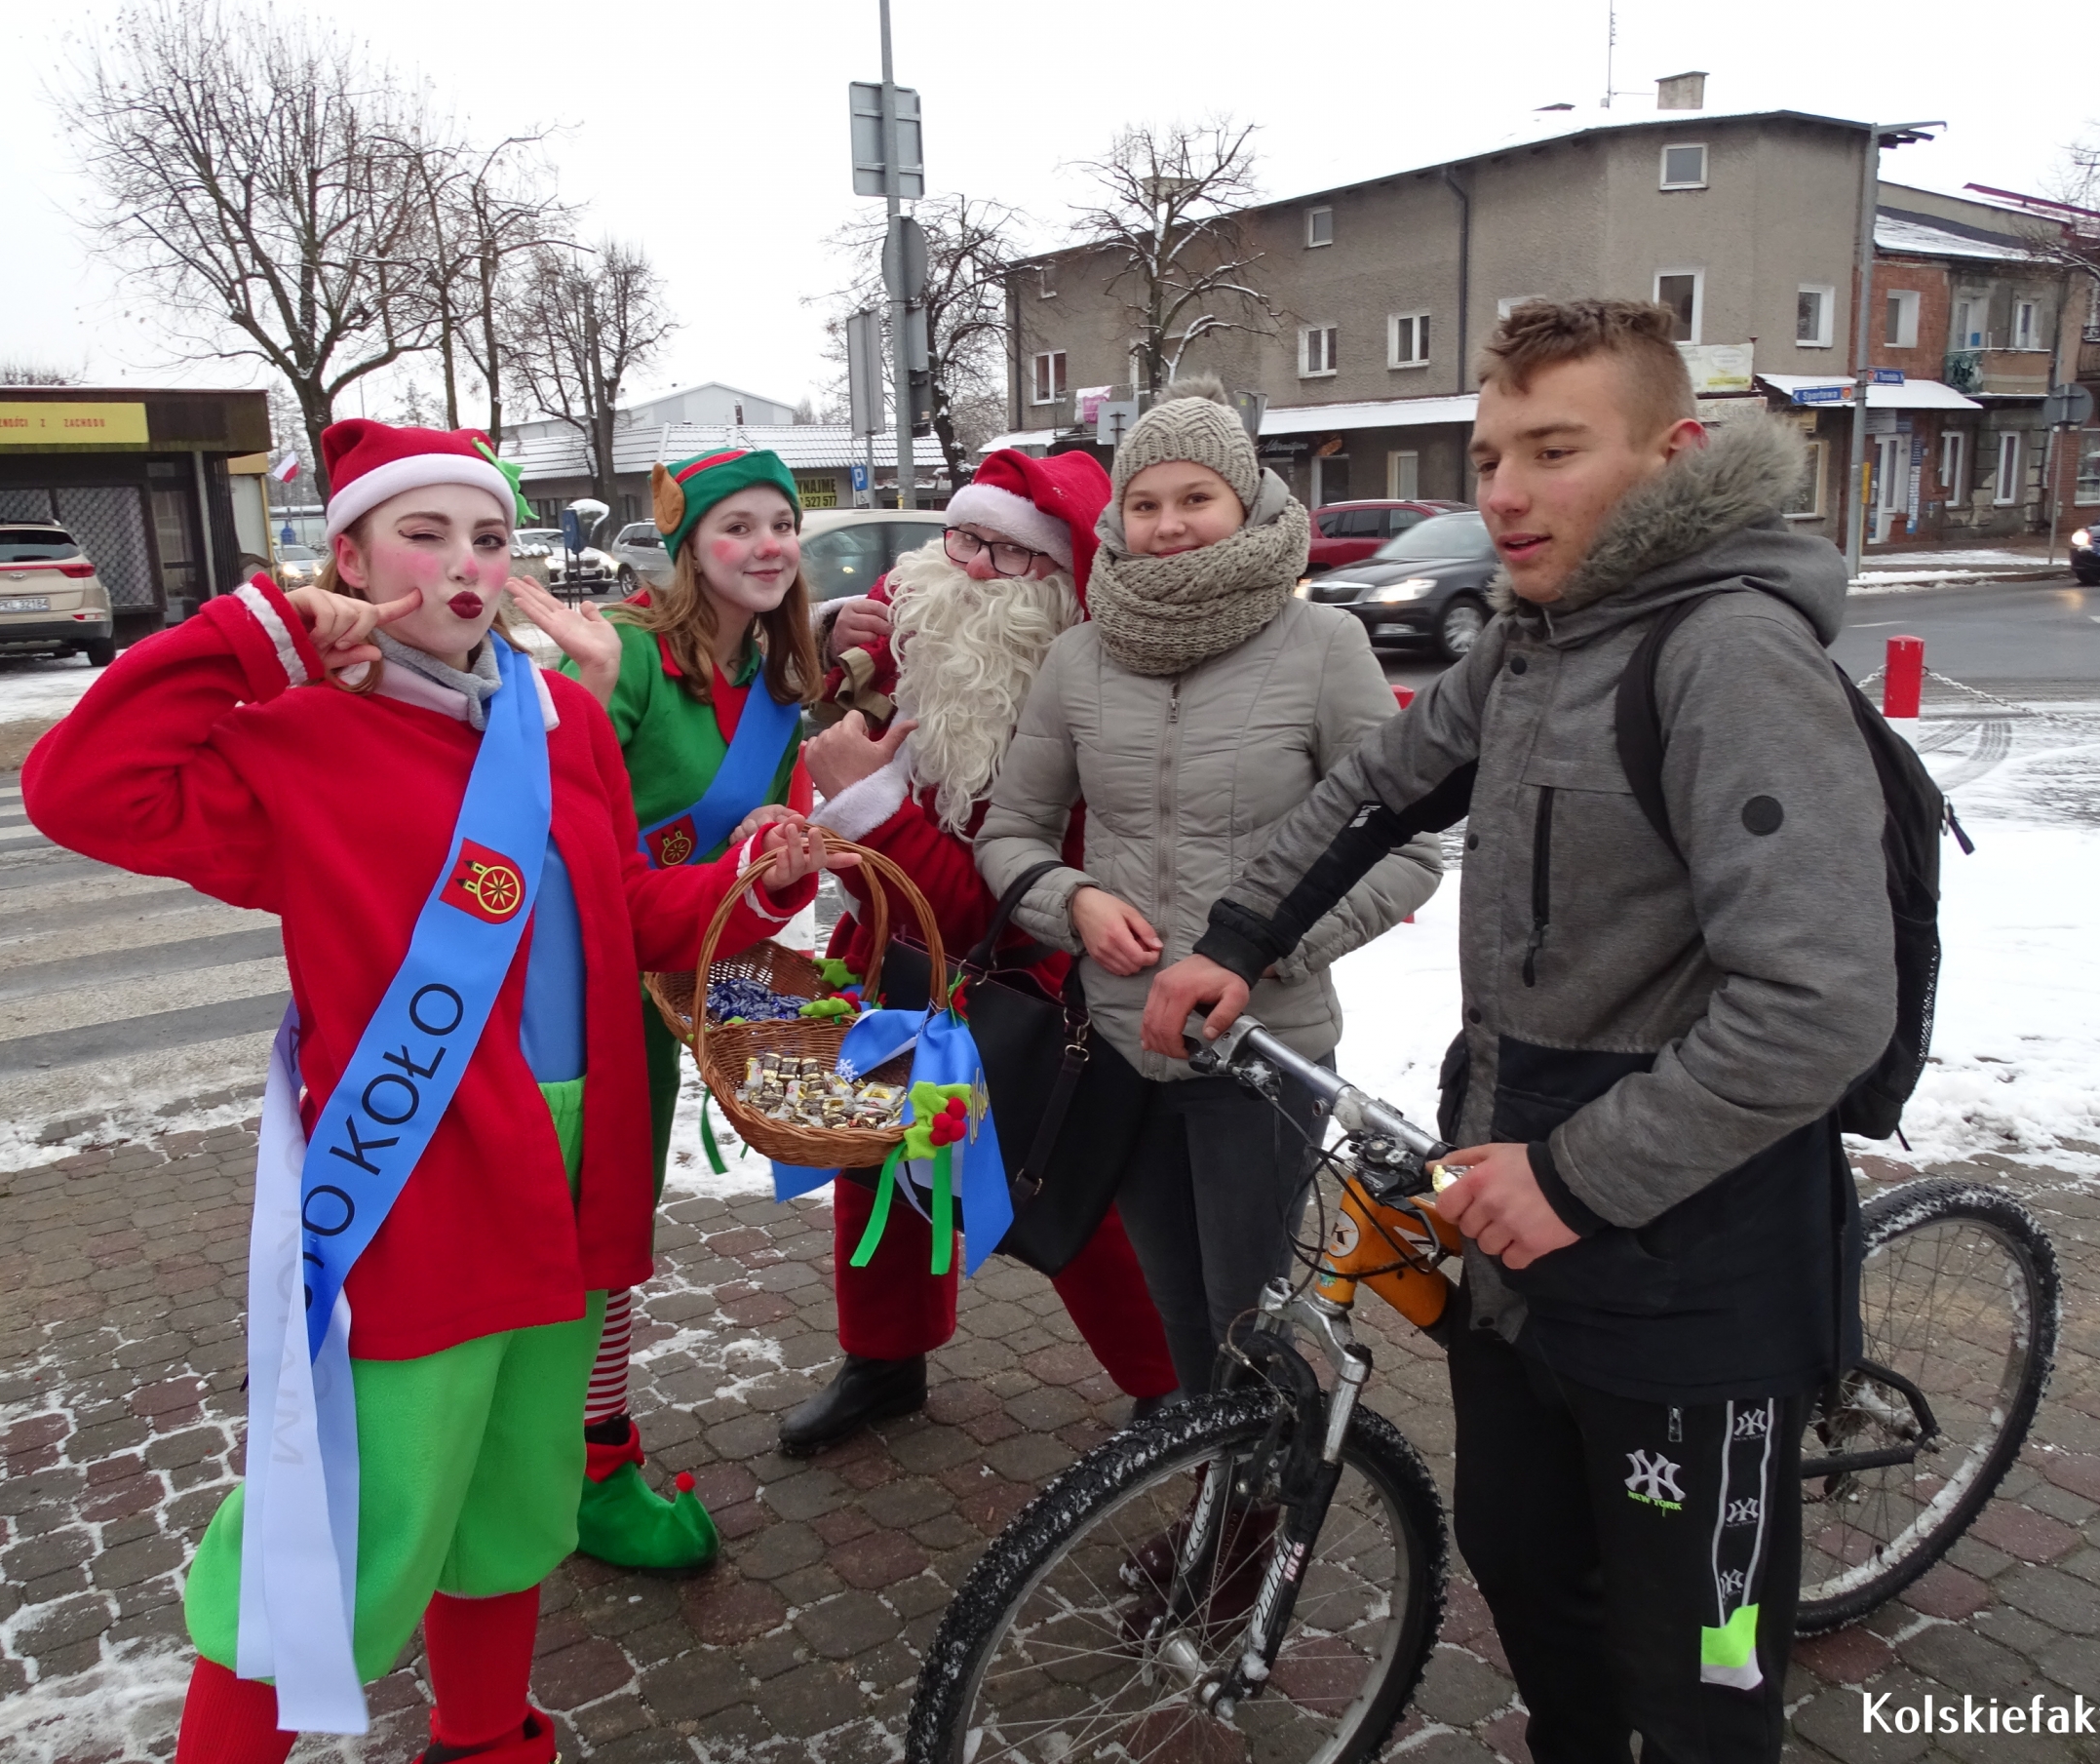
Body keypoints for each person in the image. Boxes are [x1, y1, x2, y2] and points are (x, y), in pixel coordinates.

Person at [23, 420, 848, 1762]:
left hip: (573, 1167)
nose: (466, 565)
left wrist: (752, 888)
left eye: (488, 537)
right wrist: (256, 639)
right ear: (349, 559)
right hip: (416, 1175)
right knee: (342, 1530)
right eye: (425, 534)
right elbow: (78, 790)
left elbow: (623, 907)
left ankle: (486, 1738)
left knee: (511, 1505)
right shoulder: (300, 733)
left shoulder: (558, 723)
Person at [1146, 299, 1894, 1763]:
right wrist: (1234, 938)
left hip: (1693, 1257)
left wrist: (1574, 1179)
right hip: (1511, 1208)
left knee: (1703, 1665)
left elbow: (1819, 1003)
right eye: (1490, 456)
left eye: (1554, 451)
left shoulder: (1731, 657)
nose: (1502, 491)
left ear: (1673, 455)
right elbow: (1377, 790)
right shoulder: (1537, 641)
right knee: (1530, 1564)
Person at [975, 379, 1443, 1402]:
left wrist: (1265, 947)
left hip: (1262, 1051)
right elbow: (1010, 833)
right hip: (1120, 1045)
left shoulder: (1323, 648)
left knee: (1250, 1315)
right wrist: (1072, 902)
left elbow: (1407, 847)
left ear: (1247, 502)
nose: (1169, 524)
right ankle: (1210, 1483)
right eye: (1145, 503)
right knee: (1176, 1308)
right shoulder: (1078, 658)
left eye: (1196, 498)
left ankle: (1264, 1489)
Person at [779, 448, 1179, 1454]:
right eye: (961, 538)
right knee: (877, 1162)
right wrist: (830, 645)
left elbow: (1004, 911)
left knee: (1071, 1191)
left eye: (1006, 553)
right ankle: (884, 1357)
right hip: (891, 960)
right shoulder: (930, 632)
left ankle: (1171, 1390)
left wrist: (865, 805)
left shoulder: (1085, 710)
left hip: (1031, 989)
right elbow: (798, 695)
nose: (968, 568)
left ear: (1062, 583)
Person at [519, 445, 815, 1573]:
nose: (766, 546)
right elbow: (554, 818)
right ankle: (562, 1466)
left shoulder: (777, 684)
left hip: (665, 976)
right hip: (568, 984)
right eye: (737, 525)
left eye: (781, 524)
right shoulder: (630, 654)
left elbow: (751, 858)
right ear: (688, 544)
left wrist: (777, 849)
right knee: (572, 1225)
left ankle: (583, 1458)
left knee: (613, 1225)